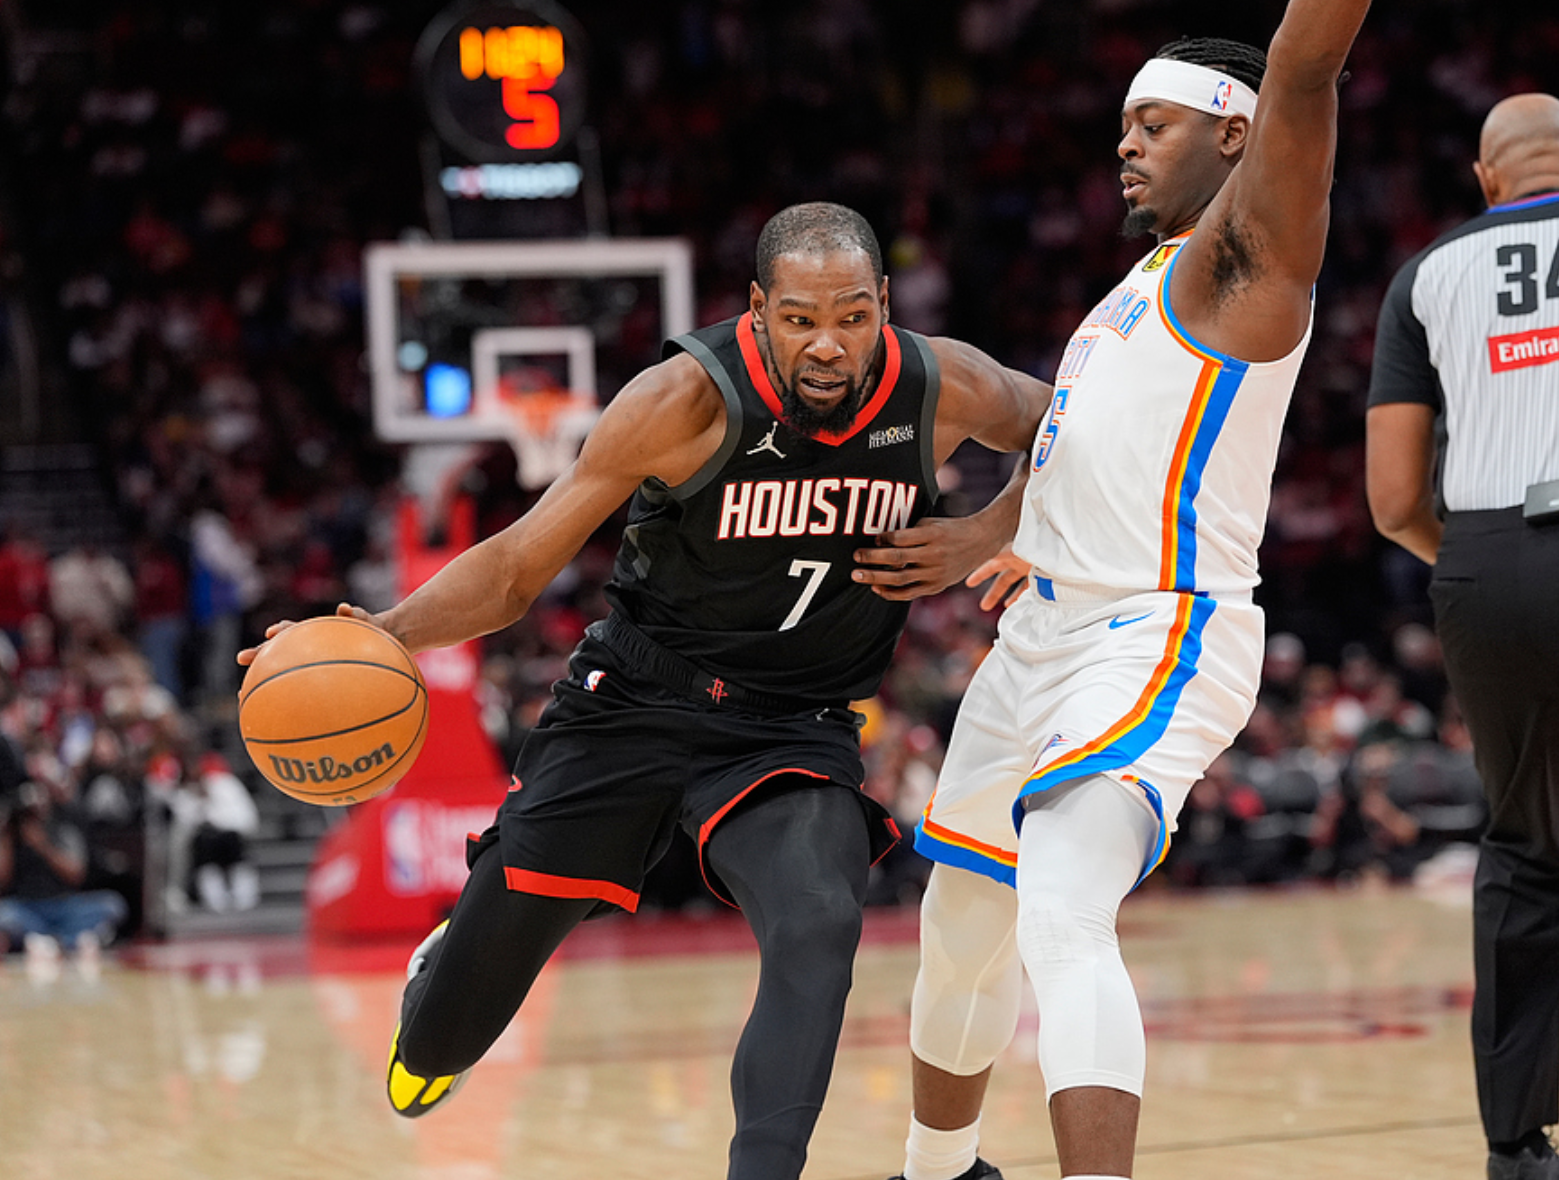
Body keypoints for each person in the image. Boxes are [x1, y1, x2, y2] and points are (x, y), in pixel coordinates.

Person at [239, 202, 1049, 1180]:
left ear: (884, 302)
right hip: (628, 707)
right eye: (800, 318)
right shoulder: (682, 402)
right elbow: (516, 570)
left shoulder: (943, 386)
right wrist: (384, 632)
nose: (827, 344)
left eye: (851, 315)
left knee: (818, 920)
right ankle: (443, 975)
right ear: (758, 309)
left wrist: (986, 527)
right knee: (437, 1049)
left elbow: (1067, 425)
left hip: (790, 730)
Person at [861, 7, 1372, 1179]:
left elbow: (1302, 69)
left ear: (1233, 134)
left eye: (1153, 123)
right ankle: (938, 1169)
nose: (1124, 145)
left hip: (1156, 626)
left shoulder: (1243, 263)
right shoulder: (1132, 290)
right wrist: (998, 526)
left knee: (1061, 905)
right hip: (1042, 635)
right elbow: (1075, 434)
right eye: (1122, 125)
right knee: (959, 921)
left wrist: (1296, 67)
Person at [1365, 92, 1559, 1180]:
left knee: (1524, 844)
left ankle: (1515, 1145)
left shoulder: (1426, 274)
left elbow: (1392, 497)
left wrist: (1480, 563)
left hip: (1487, 558)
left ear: (1487, 181)